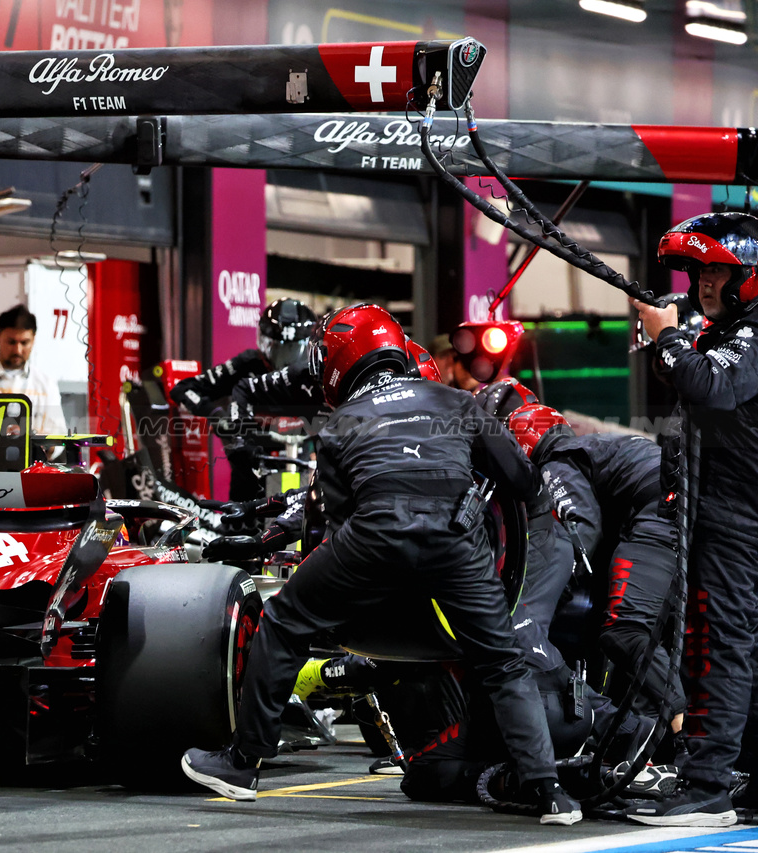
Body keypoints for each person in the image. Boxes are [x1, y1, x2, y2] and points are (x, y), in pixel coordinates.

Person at [180, 303, 581, 824]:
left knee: (283, 622)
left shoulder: (339, 423)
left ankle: (242, 764)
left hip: (373, 535)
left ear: (341, 358)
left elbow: (334, 519)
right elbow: (522, 483)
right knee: (503, 662)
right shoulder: (459, 401)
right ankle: (550, 794)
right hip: (457, 541)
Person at [625, 212, 758, 827]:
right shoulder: (725, 329)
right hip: (724, 511)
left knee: (720, 648)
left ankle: (707, 785)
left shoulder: (751, 335)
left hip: (737, 519)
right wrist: (670, 339)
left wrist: (671, 339)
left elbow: (712, 387)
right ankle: (740, 777)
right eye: (700, 271)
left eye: (717, 271)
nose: (704, 283)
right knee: (738, 648)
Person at [506, 403, 686, 730]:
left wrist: (554, 589)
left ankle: (689, 745)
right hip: (687, 510)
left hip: (660, 512)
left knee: (625, 632)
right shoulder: (595, 446)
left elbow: (582, 532)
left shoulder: (556, 461)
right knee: (669, 637)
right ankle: (667, 744)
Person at [170, 298, 317, 500]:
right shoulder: (248, 363)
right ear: (264, 343)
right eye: (277, 348)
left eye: (292, 349)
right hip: (250, 475)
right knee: (242, 522)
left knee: (298, 520)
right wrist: (217, 416)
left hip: (302, 471)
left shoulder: (314, 372)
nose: (284, 361)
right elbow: (183, 389)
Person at [0, 305, 66, 440]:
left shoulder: (46, 384)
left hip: (34, 460)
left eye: (24, 342)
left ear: (34, 339)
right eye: (11, 342)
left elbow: (58, 438)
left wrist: (40, 442)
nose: (17, 350)